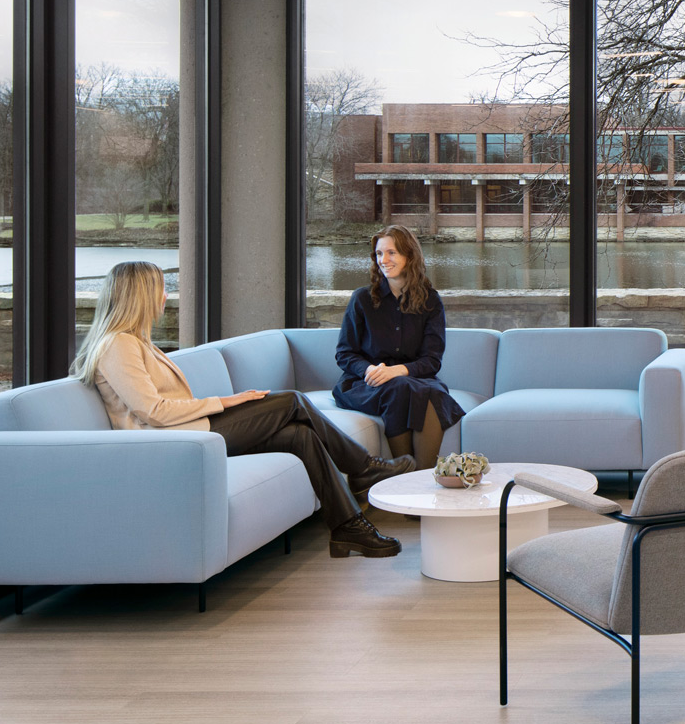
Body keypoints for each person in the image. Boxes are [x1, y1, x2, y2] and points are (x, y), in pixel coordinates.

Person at [73, 261, 411, 559]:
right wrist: (226, 401)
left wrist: (224, 403)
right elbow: (153, 411)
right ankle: (365, 468)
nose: (164, 298)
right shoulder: (118, 345)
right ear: (141, 296)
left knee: (299, 435)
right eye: (161, 290)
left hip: (189, 432)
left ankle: (348, 527)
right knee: (293, 401)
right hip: (172, 443)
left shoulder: (136, 342)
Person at [332, 225, 466, 469]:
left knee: (432, 393)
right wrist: (370, 370)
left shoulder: (430, 301)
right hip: (365, 384)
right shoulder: (362, 299)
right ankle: (407, 478)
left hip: (413, 380)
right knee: (400, 388)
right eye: (379, 254)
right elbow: (344, 353)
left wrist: (397, 370)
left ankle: (419, 480)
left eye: (391, 253)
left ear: (409, 256)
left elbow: (432, 360)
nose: (384, 260)